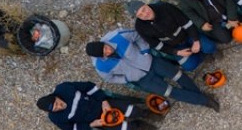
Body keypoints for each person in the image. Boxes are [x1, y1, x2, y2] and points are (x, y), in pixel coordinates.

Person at [86, 31, 217, 109]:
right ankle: (205, 101)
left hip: (152, 62)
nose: (108, 51)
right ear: (100, 57)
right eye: (105, 53)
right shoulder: (100, 66)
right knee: (171, 92)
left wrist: (144, 52)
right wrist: (127, 78)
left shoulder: (116, 36)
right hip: (143, 79)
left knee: (179, 75)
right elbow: (109, 78)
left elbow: (137, 36)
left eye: (106, 47)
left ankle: (200, 98)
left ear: (103, 42)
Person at [37, 81, 158, 130]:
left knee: (134, 110)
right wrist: (92, 124)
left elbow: (90, 87)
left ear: (55, 96)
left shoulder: (64, 88)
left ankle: (145, 113)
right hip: (100, 120)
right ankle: (138, 125)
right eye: (55, 109)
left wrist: (104, 101)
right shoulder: (55, 118)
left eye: (57, 103)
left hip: (102, 104)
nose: (59, 107)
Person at [131, 1, 214, 69]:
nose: (145, 14)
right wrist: (177, 52)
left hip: (188, 35)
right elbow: (157, 45)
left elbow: (187, 23)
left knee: (210, 47)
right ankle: (202, 55)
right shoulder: (139, 27)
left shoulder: (164, 7)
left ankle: (202, 48)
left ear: (146, 4)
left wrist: (196, 40)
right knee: (189, 67)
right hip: (176, 46)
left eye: (144, 10)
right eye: (140, 15)